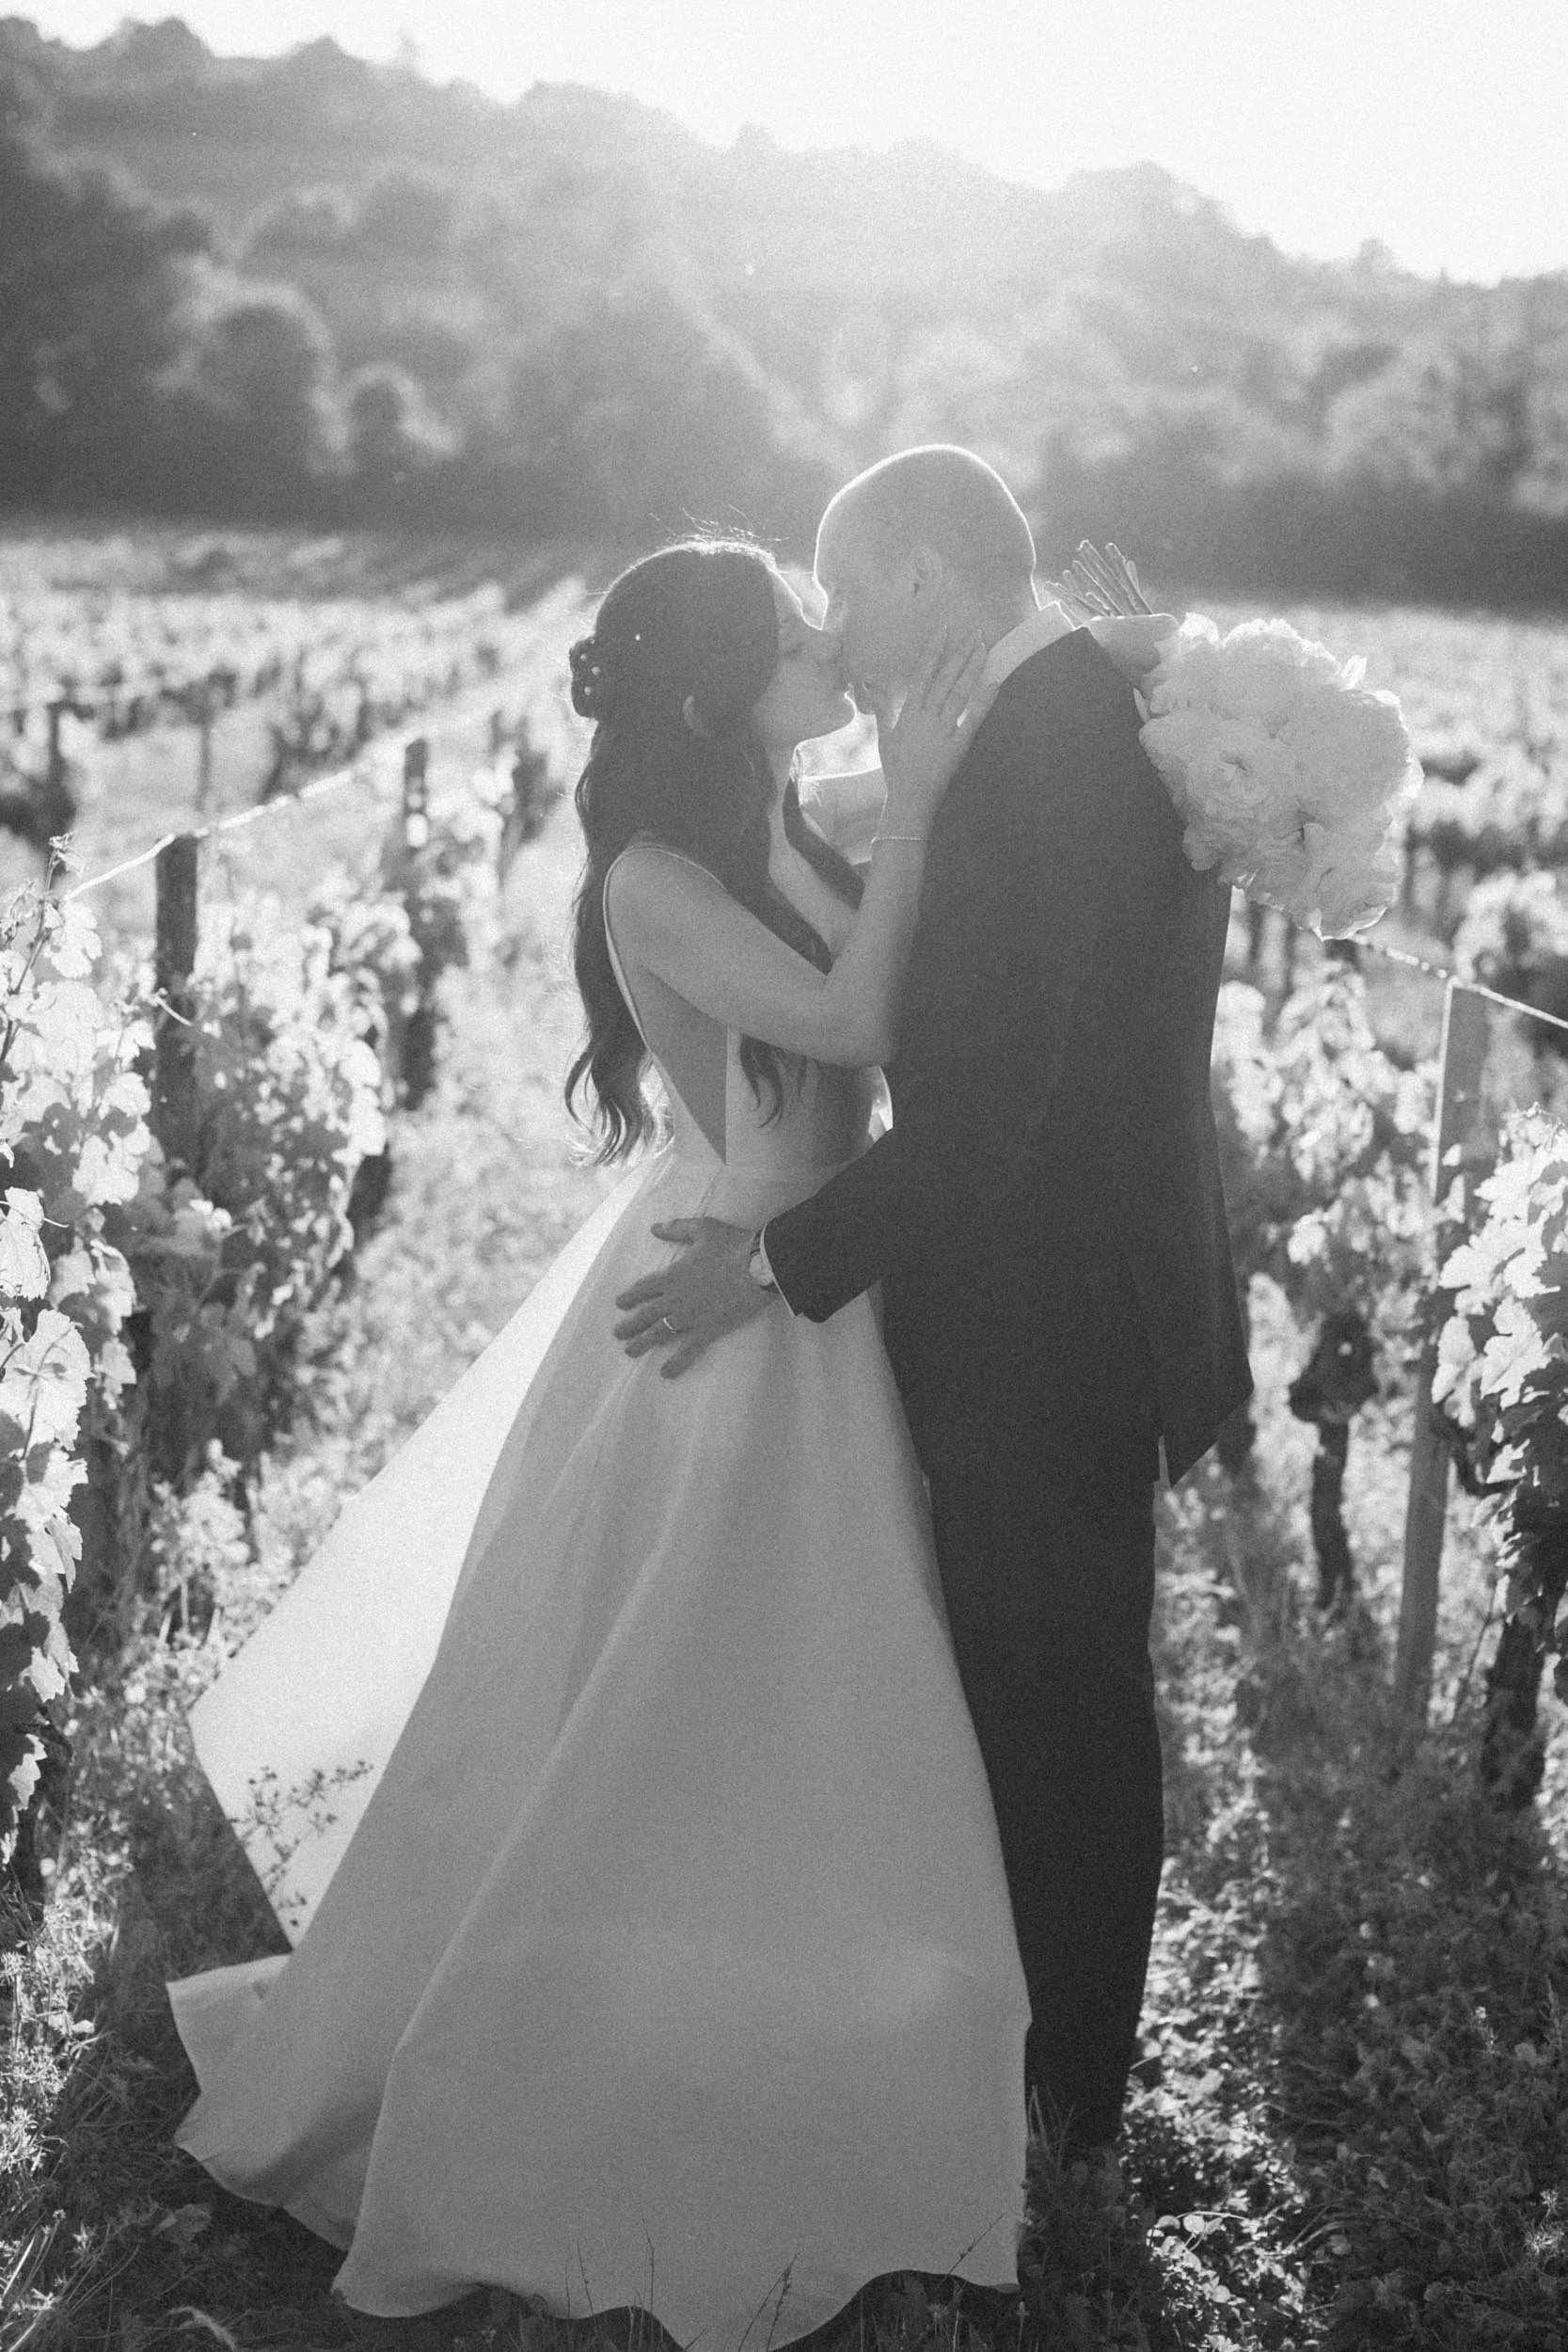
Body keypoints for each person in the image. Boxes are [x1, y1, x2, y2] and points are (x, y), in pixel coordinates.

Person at [163, 536, 1037, 2346]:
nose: (830, 644)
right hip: (722, 1293)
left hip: (810, 1275)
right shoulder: (656, 875)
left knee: (789, 1689)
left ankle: (791, 2025)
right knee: (664, 1681)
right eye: (794, 636)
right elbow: (853, 1020)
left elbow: (976, 774)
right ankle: (562, 2062)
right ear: (717, 692)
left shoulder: (784, 816)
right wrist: (920, 799)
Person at [612, 448, 1255, 2162]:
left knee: (1054, 1710)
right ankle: (1015, 2060)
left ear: (916, 577)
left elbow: (988, 1118)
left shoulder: (1038, 755)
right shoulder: (1056, 709)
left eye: (841, 594)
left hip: (1045, 1319)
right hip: (1057, 1294)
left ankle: (1061, 2110)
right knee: (1018, 1694)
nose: (833, 633)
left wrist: (771, 1263)